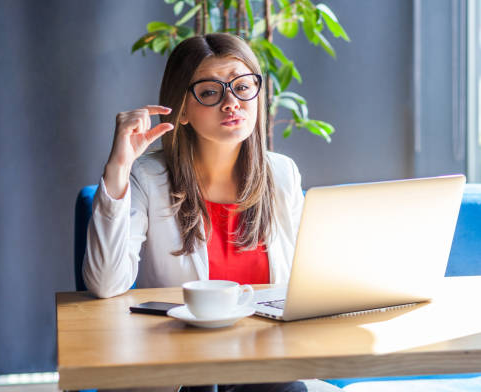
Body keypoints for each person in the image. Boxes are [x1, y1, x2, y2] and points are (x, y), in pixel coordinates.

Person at [83, 33, 331, 392]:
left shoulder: (283, 174)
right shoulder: (148, 177)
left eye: (243, 87)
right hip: (182, 363)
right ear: (181, 109)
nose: (232, 102)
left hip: (266, 363)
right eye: (211, 92)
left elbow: (306, 282)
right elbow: (105, 284)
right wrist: (119, 167)